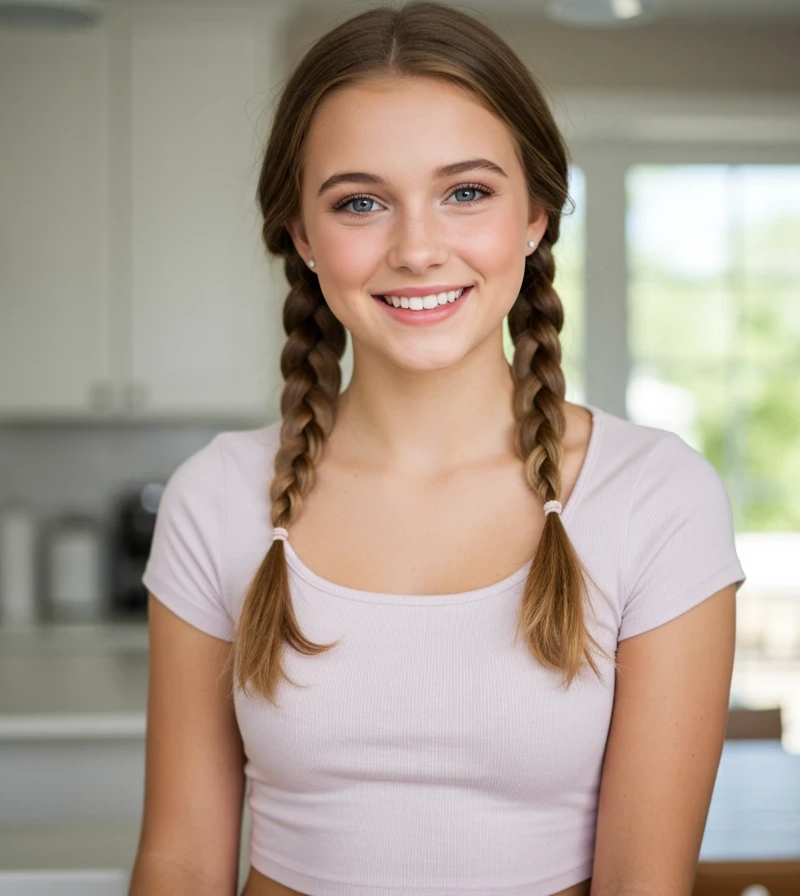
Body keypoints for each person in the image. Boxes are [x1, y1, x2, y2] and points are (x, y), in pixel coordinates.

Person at [128, 3, 746, 895]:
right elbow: (180, 858)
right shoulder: (217, 497)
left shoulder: (655, 497)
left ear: (536, 213)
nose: (417, 248)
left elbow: (643, 884)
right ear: (302, 236)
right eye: (361, 202)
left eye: (466, 192)